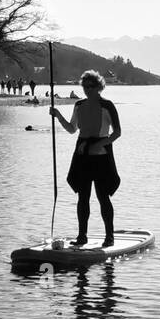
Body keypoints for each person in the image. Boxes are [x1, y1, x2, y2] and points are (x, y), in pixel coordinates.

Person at [50, 69, 122, 247]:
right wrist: (58, 116)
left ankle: (109, 237)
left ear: (99, 87)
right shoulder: (79, 105)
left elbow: (117, 132)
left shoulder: (108, 105)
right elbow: (72, 129)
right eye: (85, 86)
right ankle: (82, 236)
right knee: (83, 197)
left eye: (91, 86)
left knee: (102, 196)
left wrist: (100, 144)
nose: (87, 89)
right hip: (82, 154)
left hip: (101, 155)